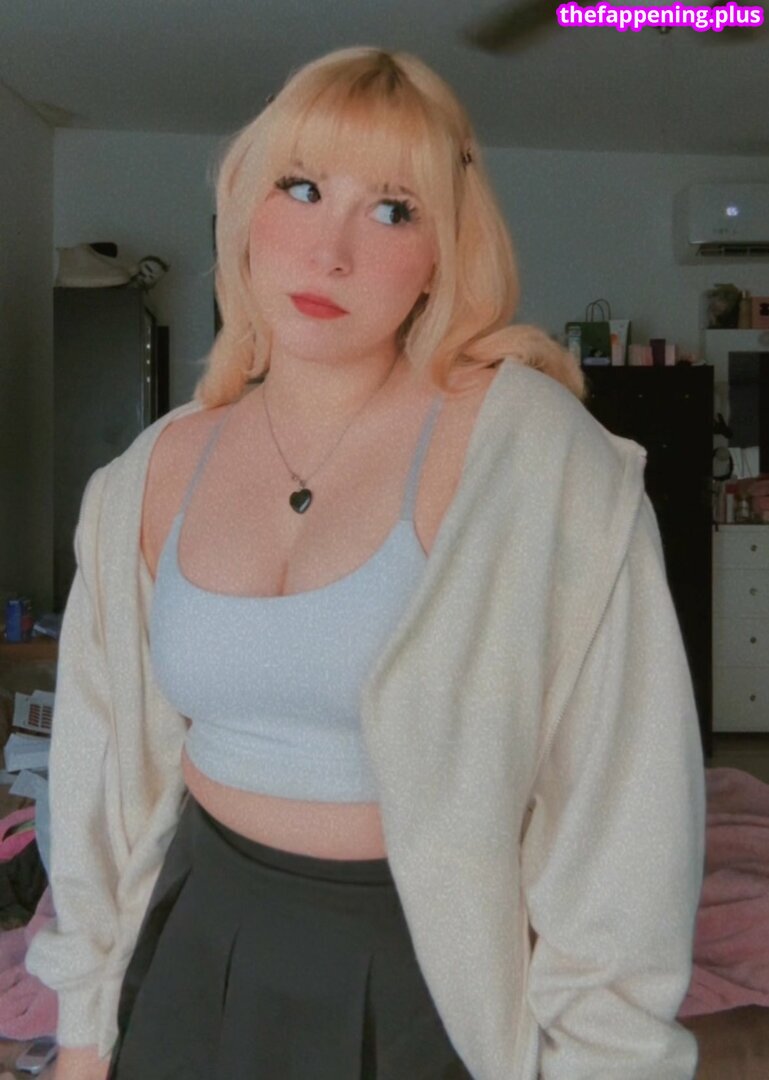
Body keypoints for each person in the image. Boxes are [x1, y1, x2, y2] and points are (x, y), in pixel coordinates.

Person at [27, 46, 705, 1080]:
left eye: (392, 210)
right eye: (301, 189)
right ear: (244, 209)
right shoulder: (146, 474)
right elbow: (99, 778)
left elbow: (624, 808)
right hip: (192, 944)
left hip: (430, 982)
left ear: (444, 252)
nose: (330, 252)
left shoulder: (532, 456)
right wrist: (83, 1033)